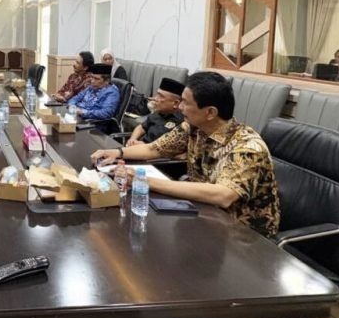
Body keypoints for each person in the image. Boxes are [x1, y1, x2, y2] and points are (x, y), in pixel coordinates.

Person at [91, 72, 280, 237]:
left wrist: (144, 181)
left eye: (185, 102)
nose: (180, 107)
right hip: (203, 215)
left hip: (243, 237)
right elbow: (154, 149)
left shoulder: (247, 146)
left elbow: (223, 195)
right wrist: (117, 152)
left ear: (210, 112)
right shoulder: (193, 128)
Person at [126, 77, 185, 146]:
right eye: (157, 94)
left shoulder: (182, 123)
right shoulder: (158, 112)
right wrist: (132, 139)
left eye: (161, 96)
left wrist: (145, 146)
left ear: (175, 103)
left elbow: (169, 148)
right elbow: (142, 127)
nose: (155, 99)